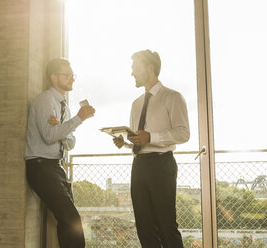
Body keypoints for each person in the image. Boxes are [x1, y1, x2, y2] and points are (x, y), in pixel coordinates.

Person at [113, 49, 190, 248]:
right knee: (144, 228)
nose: (132, 73)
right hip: (139, 167)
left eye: (135, 67)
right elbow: (138, 140)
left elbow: (183, 134)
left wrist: (151, 136)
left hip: (161, 165)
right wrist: (126, 142)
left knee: (166, 226)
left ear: (150, 68)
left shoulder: (172, 97)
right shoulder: (136, 103)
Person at [24, 58, 95, 248]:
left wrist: (61, 130)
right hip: (41, 166)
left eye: (73, 75)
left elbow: (70, 142)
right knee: (71, 220)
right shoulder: (44, 101)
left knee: (67, 222)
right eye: (68, 75)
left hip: (56, 167)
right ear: (54, 78)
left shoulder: (64, 106)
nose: (72, 79)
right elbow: (49, 136)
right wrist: (77, 119)